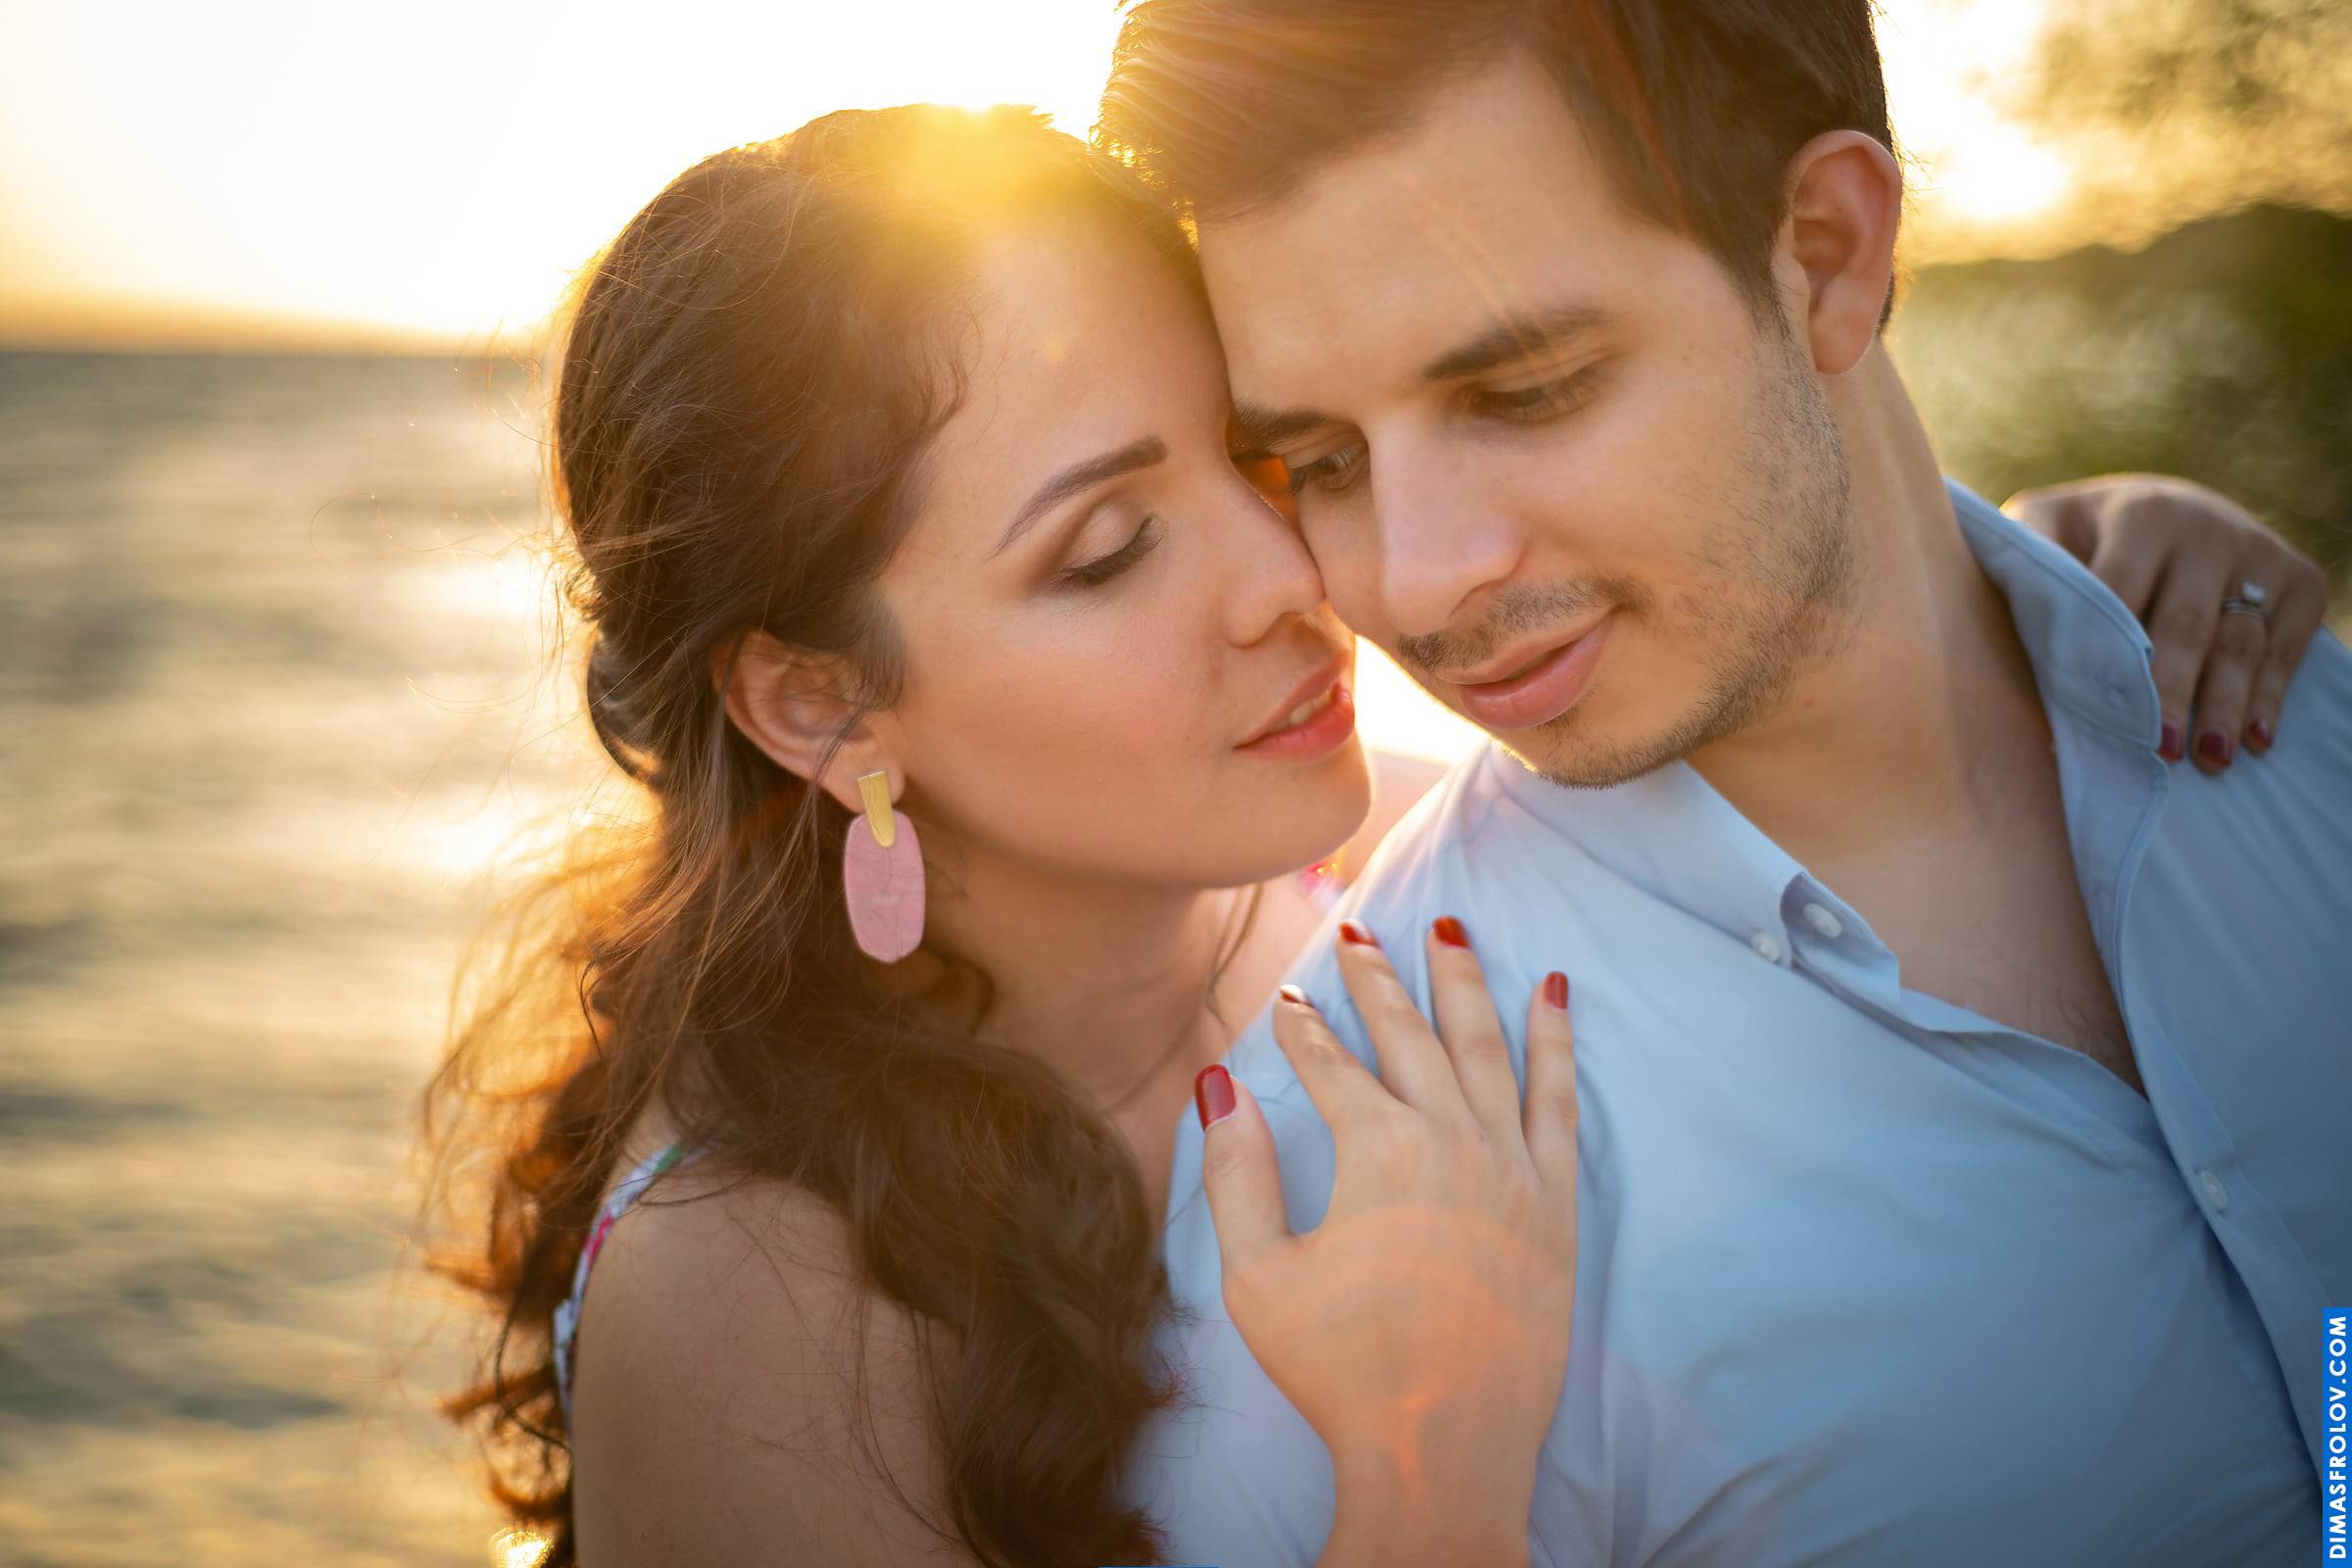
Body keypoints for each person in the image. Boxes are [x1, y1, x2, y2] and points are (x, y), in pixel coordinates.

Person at [418, 104, 2328, 1568]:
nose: (1300, 577)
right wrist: (1428, 1468)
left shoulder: (1411, 869)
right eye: (1104, 548)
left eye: (1268, 456)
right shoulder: (757, 1291)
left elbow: (1846, 700)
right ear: (823, 701)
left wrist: (2069, 575)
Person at [1096, 4, 2352, 1565]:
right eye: (1323, 464)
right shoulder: (1333, 1207)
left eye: (1527, 388)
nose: (1413, 581)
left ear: (1826, 250)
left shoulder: (2299, 731)